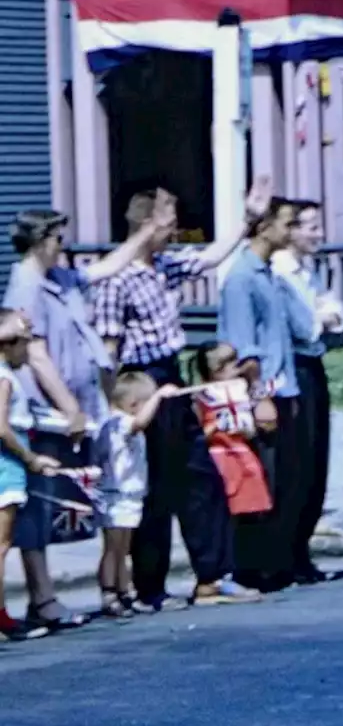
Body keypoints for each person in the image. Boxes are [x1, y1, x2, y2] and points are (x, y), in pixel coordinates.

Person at [93, 180, 271, 611]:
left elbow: (209, 257)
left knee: (200, 476)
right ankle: (149, 586)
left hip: (172, 376)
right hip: (141, 382)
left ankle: (212, 576)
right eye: (168, 223)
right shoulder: (117, 277)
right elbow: (108, 350)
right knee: (152, 487)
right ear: (146, 224)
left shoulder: (166, 265)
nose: (174, 231)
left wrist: (247, 219)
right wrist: (114, 411)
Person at [5, 203, 171, 631]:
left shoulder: (59, 279)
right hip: (49, 415)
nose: (65, 245)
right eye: (59, 238)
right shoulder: (27, 285)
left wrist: (143, 233)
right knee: (40, 506)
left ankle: (111, 585)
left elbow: (106, 268)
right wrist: (70, 407)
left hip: (83, 408)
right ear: (43, 240)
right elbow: (37, 355)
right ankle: (42, 597)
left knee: (92, 498)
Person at [217, 198, 314, 592]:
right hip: (264, 392)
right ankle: (253, 567)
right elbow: (244, 347)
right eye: (286, 224)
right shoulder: (242, 277)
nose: (290, 232)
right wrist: (259, 396)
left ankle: (278, 563)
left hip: (285, 384)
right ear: (264, 227)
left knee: (286, 482)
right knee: (262, 482)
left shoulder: (270, 273)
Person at [272, 201, 343, 585]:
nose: (318, 235)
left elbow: (334, 309)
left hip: (314, 363)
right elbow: (306, 324)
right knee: (298, 461)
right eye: (310, 227)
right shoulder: (283, 271)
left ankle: (301, 550)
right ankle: (287, 553)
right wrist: (323, 316)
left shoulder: (310, 270)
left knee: (317, 459)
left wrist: (325, 315)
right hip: (295, 363)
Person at [95, 372, 177, 619]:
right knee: (113, 546)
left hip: (131, 493)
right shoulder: (119, 422)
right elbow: (139, 422)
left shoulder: (127, 423)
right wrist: (160, 396)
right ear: (133, 404)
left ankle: (124, 589)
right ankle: (109, 591)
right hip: (115, 493)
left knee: (124, 546)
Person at [0, 311, 59, 642]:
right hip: (6, 465)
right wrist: (31, 459)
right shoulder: (4, 376)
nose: (28, 348)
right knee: (1, 545)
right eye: (24, 342)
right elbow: (1, 425)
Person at [189, 343, 274, 572]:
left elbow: (268, 421)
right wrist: (216, 426)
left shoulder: (242, 388)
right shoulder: (202, 395)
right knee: (227, 512)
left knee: (254, 510)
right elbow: (197, 433)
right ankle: (229, 566)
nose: (237, 367)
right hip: (220, 457)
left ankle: (251, 564)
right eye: (230, 363)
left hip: (243, 453)